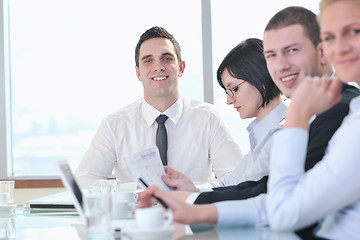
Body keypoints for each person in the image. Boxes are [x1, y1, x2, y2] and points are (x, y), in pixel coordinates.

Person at [137, 6, 359, 238]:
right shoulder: (329, 110)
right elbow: (269, 195)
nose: (280, 65)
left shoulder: (339, 110)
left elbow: (282, 207)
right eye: (271, 55)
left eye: (292, 50)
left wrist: (297, 116)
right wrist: (195, 204)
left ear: (321, 52)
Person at [75, 26, 243, 188]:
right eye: (148, 60)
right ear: (138, 73)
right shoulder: (114, 124)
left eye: (167, 58)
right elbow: (84, 179)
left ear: (181, 68)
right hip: (137, 215)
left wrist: (195, 189)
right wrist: (135, 191)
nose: (158, 67)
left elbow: (237, 178)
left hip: (192, 214)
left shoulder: (208, 117)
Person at [267, 0, 360, 238]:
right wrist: (203, 210)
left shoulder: (343, 110)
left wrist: (297, 114)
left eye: (354, 31)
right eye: (330, 37)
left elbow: (284, 213)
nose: (340, 48)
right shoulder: (355, 113)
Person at [162, 38, 286, 200]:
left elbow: (247, 194)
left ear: (261, 78)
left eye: (234, 89)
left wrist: (194, 197)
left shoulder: (285, 134)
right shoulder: (262, 134)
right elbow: (232, 183)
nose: (229, 100)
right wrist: (191, 188)